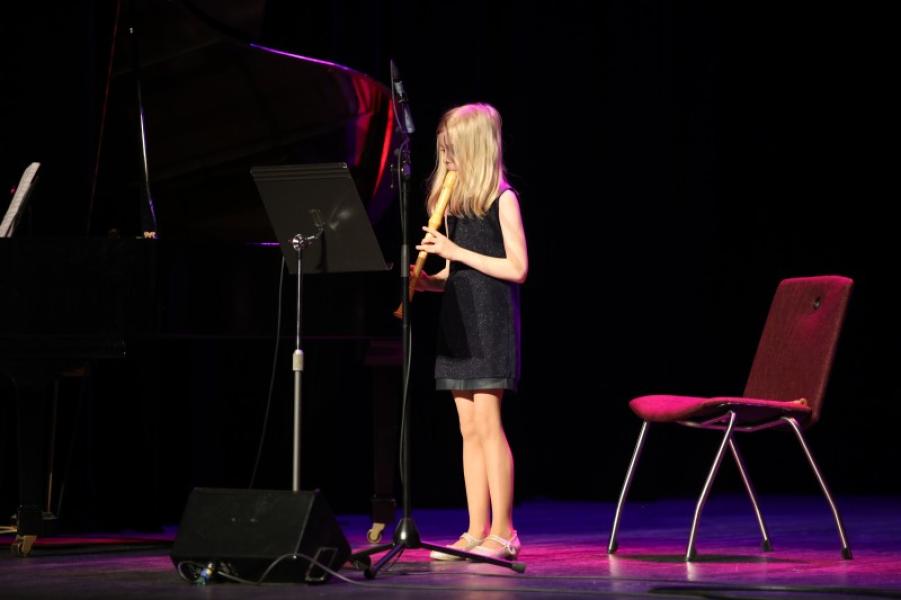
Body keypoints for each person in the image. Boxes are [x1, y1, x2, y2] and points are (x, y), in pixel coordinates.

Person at [412, 103, 528, 561]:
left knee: (489, 424)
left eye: (453, 150)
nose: (447, 158)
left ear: (476, 149)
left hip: (491, 323)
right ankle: (476, 530)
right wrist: (428, 280)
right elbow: (457, 274)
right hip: (458, 323)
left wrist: (454, 250)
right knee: (468, 429)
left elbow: (517, 268)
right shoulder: (455, 205)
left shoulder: (503, 199)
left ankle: (505, 531)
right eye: (443, 150)